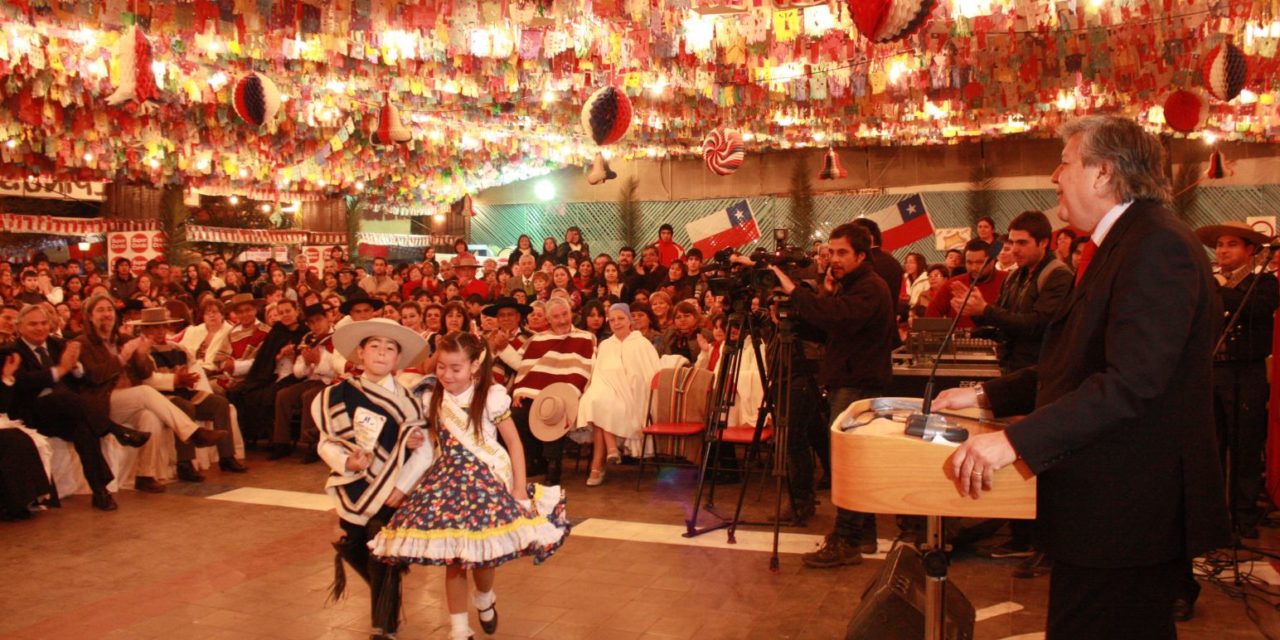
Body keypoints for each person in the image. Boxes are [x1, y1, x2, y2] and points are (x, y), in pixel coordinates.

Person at [934, 116, 1231, 637]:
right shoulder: (1119, 243)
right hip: (1107, 508)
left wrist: (1013, 442)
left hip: (1128, 512)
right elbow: (1073, 361)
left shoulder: (1155, 245)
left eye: (1065, 163)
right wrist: (986, 394)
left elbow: (1132, 382)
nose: (1054, 177)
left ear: (1103, 173)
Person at [372, 331, 570, 640]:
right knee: (455, 560)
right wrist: (402, 481)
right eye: (441, 367)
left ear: (474, 366)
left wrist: (519, 489)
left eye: (455, 368)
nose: (446, 375)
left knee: (483, 557)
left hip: (486, 484)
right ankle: (460, 631)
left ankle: (484, 597)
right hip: (446, 484)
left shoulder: (490, 396)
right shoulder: (430, 396)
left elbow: (514, 445)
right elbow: (426, 449)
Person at [768, 223, 895, 568]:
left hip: (858, 385)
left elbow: (837, 318)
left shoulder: (869, 288)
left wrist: (795, 292)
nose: (834, 259)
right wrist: (788, 316)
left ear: (861, 255)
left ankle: (847, 540)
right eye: (832, 252)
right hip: (849, 381)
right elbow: (831, 331)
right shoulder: (851, 286)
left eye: (842, 253)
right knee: (854, 463)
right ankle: (862, 534)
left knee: (847, 464)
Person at [953, 210, 1073, 570]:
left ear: (1044, 243)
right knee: (1019, 456)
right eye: (1012, 242)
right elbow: (1005, 321)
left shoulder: (1058, 276)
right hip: (1014, 373)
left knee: (1038, 458)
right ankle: (1021, 534)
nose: (1015, 249)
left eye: (1023, 243)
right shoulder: (1016, 276)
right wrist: (975, 319)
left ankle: (1041, 542)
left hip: (1041, 378)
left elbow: (1039, 325)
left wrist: (986, 310)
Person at [313, 318, 434, 640]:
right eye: (374, 347)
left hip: (391, 490)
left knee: (382, 552)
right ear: (360, 353)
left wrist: (401, 488)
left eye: (390, 349)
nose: (382, 354)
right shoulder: (339, 394)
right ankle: (388, 590)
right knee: (351, 545)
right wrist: (345, 461)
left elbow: (424, 452)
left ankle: (384, 627)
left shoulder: (410, 402)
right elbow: (327, 441)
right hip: (352, 485)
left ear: (398, 359)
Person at [74, 295, 226, 492]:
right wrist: (121, 358)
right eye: (100, 310)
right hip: (102, 401)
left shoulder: (123, 339)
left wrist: (141, 355)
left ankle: (145, 475)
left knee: (150, 417)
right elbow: (94, 377)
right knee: (145, 392)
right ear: (89, 316)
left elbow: (144, 373)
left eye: (109, 310)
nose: (106, 314)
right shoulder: (82, 343)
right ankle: (194, 433)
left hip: (129, 400)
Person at [11, 304, 143, 510]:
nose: (40, 328)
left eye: (44, 323)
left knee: (84, 429)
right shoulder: (11, 352)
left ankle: (100, 491)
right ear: (20, 328)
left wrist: (75, 367)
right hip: (32, 412)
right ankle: (115, 429)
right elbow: (23, 382)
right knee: (61, 397)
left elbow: (81, 376)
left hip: (65, 411)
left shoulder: (57, 344)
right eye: (33, 324)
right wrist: (61, 369)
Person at [1195, 221, 1278, 541]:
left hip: (1247, 372)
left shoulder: (1264, 283)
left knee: (1244, 445)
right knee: (1212, 446)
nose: (1223, 251)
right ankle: (1214, 516)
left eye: (1231, 245)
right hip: (1212, 370)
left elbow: (1257, 309)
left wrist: (1211, 287)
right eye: (1219, 245)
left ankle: (1243, 515)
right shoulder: (1212, 283)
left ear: (1250, 251)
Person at [127, 307, 245, 476]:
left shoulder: (178, 348)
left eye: (163, 326)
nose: (160, 331)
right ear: (145, 329)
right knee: (185, 407)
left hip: (186, 392)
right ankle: (185, 462)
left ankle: (227, 456)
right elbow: (148, 380)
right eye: (154, 327)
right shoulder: (142, 351)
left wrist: (190, 378)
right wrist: (175, 380)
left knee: (220, 403)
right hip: (162, 397)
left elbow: (193, 370)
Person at [492, 297, 595, 484]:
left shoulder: (586, 337)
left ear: (571, 314)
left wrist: (579, 390)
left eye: (565, 314)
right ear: (549, 319)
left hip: (567, 392)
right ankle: (535, 460)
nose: (562, 320)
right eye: (556, 317)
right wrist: (521, 388)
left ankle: (553, 463)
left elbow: (587, 367)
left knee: (553, 409)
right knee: (517, 413)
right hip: (536, 391)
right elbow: (523, 364)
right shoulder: (538, 339)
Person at [578, 303, 661, 486]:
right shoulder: (606, 345)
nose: (616, 323)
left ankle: (598, 464)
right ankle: (609, 451)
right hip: (608, 392)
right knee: (596, 399)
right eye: (612, 320)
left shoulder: (641, 344)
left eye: (621, 318)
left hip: (633, 396)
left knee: (600, 404)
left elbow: (649, 375)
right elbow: (599, 373)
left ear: (630, 320)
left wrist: (625, 382)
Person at [269, 303, 336, 462]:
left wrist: (318, 363)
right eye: (311, 322)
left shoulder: (338, 338)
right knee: (283, 395)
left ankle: (310, 445)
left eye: (318, 320)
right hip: (310, 380)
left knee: (309, 396)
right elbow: (298, 372)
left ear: (328, 319)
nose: (315, 325)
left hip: (330, 382)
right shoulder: (307, 339)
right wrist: (306, 363)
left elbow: (338, 368)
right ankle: (281, 442)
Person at [925, 239, 1008, 329]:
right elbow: (931, 315)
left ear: (992, 261)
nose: (973, 268)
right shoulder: (953, 284)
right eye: (969, 262)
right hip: (957, 341)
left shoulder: (1008, 281)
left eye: (979, 262)